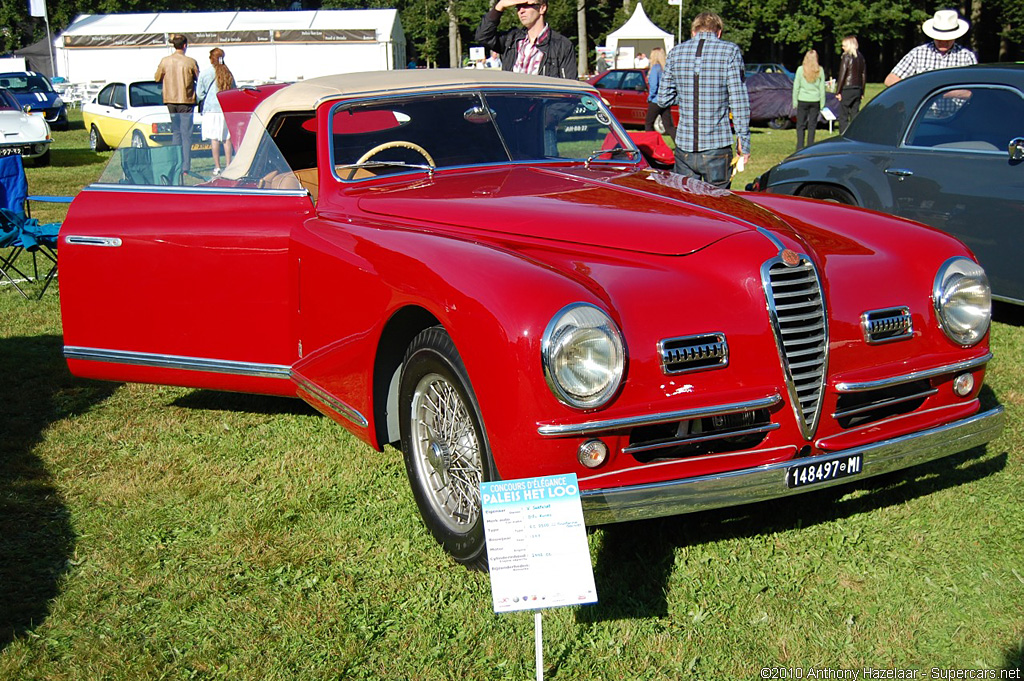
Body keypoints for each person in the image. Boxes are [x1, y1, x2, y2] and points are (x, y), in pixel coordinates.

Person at [655, 12, 750, 188]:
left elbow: (662, 99)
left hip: (684, 146)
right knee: (718, 206)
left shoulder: (676, 53)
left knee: (688, 207)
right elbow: (739, 101)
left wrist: (685, 95)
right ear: (718, 32)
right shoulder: (729, 52)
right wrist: (743, 143)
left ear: (693, 32)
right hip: (717, 145)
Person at [474, 0, 577, 79]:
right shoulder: (512, 39)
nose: (521, 11)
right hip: (510, 104)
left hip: (543, 106)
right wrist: (500, 6)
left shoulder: (562, 45)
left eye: (526, 5)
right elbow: (482, 36)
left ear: (542, 8)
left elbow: (569, 91)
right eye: (518, 7)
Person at [884, 9, 976, 86]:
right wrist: (916, 90)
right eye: (939, 38)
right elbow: (891, 80)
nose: (943, 42)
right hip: (925, 107)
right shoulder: (918, 53)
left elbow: (974, 88)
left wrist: (948, 92)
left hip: (959, 107)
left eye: (948, 39)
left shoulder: (966, 56)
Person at [154, 34, 200, 176]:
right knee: (186, 133)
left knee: (176, 131)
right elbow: (198, 78)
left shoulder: (165, 61)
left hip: (170, 99)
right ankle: (185, 166)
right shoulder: (190, 62)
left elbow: (156, 77)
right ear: (185, 45)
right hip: (186, 100)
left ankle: (175, 162)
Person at [196, 47, 236, 176]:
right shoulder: (228, 73)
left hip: (211, 109)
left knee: (214, 139)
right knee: (227, 139)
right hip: (225, 109)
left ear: (211, 59)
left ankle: (217, 166)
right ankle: (229, 164)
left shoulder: (205, 73)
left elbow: (200, 94)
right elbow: (233, 90)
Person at [792, 49, 825, 151]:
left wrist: (794, 101)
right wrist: (822, 103)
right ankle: (810, 146)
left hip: (802, 99)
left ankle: (800, 146)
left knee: (800, 125)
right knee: (812, 125)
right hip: (815, 100)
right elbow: (822, 88)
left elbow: (796, 86)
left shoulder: (800, 70)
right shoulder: (820, 70)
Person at [835, 36, 866, 133]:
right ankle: (855, 134)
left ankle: (843, 136)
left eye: (844, 45)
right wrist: (862, 91)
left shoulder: (846, 56)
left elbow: (842, 74)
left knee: (843, 115)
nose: (842, 48)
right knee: (855, 114)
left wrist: (838, 91)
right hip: (857, 89)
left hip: (847, 88)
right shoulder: (861, 57)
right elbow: (863, 75)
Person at [644, 47, 676, 140]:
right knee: (668, 125)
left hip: (655, 100)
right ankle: (679, 146)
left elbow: (654, 85)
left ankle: (650, 144)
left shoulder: (655, 68)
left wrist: (650, 97)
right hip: (665, 99)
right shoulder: (665, 69)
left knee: (649, 123)